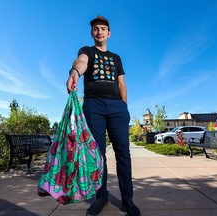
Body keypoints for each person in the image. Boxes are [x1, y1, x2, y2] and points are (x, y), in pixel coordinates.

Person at [66, 15, 140, 216]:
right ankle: (101, 196)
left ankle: (127, 199)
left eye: (103, 29)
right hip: (94, 106)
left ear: (109, 33)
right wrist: (75, 72)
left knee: (123, 154)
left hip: (117, 107)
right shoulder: (87, 51)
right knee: (97, 155)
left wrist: (124, 107)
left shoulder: (116, 58)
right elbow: (81, 61)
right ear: (92, 33)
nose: (99, 31)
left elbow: (122, 84)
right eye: (96, 29)